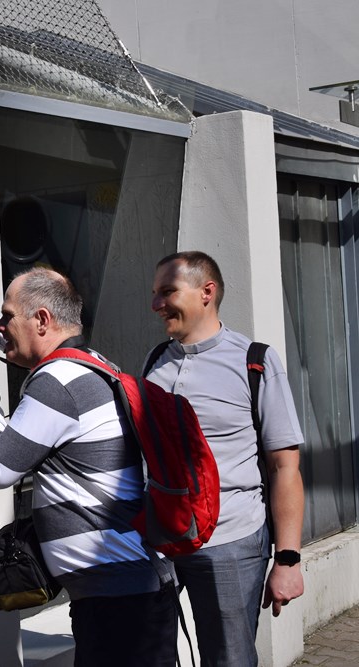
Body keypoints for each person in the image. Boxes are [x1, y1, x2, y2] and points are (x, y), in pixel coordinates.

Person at [0, 267, 178, 666]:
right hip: (125, 591)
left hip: (119, 600)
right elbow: (19, 340)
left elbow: (0, 467)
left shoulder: (56, 382)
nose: (1, 327)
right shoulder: (89, 362)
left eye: (7, 316)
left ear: (43, 319)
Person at [145, 251, 305, 666]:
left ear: (207, 292)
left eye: (167, 292)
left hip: (230, 541)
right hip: (159, 543)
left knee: (228, 660)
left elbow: (284, 466)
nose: (156, 304)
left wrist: (288, 559)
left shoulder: (254, 361)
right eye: (155, 293)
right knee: (146, 653)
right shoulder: (155, 360)